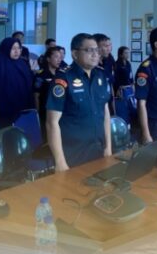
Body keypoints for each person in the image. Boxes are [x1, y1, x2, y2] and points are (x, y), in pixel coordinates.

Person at [47, 33, 113, 171]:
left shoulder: (101, 76)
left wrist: (108, 147)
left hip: (98, 150)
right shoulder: (63, 78)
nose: (95, 54)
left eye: (96, 50)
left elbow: (105, 114)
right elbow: (52, 122)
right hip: (73, 154)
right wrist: (60, 162)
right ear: (75, 54)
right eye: (89, 50)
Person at [0, 36, 35, 127]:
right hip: (3, 112)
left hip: (23, 110)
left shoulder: (23, 64)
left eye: (18, 48)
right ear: (6, 49)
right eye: (13, 48)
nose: (17, 51)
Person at [34, 44, 63, 131]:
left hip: (59, 111)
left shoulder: (61, 74)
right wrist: (37, 112)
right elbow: (36, 95)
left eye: (60, 57)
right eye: (56, 57)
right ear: (48, 59)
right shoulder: (41, 74)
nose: (59, 60)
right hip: (45, 111)